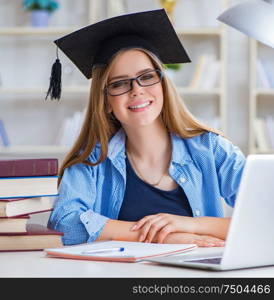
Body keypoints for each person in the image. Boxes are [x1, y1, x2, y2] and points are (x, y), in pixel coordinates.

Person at [47, 9, 245, 247]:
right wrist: (169, 237)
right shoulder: (91, 161)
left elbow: (266, 215)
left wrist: (191, 224)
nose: (137, 90)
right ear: (106, 101)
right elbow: (65, 225)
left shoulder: (211, 149)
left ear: (163, 84)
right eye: (119, 83)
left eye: (147, 76)